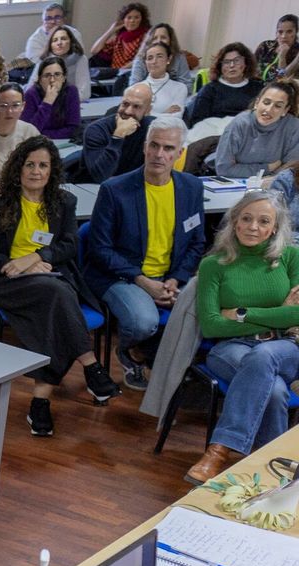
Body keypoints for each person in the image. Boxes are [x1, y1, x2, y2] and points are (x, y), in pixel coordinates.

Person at [0, 137, 119, 436]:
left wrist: (36, 258)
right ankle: (90, 364)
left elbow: (69, 245)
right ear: (18, 169)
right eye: (29, 164)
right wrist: (14, 266)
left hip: (47, 278)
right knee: (57, 295)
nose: (36, 171)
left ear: (52, 170)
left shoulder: (64, 202)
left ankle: (40, 402)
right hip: (6, 283)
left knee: (53, 308)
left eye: (43, 165)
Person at [84, 117, 205, 390]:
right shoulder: (115, 190)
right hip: (120, 276)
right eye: (154, 145)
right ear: (144, 147)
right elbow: (99, 249)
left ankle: (164, 366)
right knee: (143, 321)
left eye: (168, 148)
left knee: (205, 310)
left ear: (180, 153)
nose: (159, 155)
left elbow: (197, 242)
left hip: (169, 277)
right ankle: (130, 351)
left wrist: (176, 279)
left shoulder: (191, 188)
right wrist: (143, 281)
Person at [187, 191, 299, 483]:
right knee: (272, 389)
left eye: (264, 221)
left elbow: (298, 316)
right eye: (246, 218)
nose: (253, 227)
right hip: (231, 348)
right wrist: (278, 312)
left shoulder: (291, 257)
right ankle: (272, 468)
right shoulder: (213, 265)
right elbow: (212, 326)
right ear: (234, 221)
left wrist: (240, 313)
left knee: (264, 355)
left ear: (274, 227)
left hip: (286, 346)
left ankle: (219, 450)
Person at [214, 81, 299, 180]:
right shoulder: (239, 124)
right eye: (266, 102)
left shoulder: (294, 126)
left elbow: (291, 168)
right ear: (257, 103)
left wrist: (270, 180)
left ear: (285, 110)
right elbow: (223, 169)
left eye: (278, 106)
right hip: (235, 183)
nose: (268, 110)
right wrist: (267, 168)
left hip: (275, 184)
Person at [82, 82, 155, 183]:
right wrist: (118, 136)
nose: (128, 111)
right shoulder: (96, 130)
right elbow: (101, 176)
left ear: (147, 110)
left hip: (134, 186)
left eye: (136, 106)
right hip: (95, 189)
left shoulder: (153, 129)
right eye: (125, 104)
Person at [186, 43, 262, 128]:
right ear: (220, 66)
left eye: (237, 60)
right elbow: (197, 122)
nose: (232, 65)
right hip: (213, 135)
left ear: (246, 63)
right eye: (226, 62)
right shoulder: (210, 90)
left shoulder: (258, 88)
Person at [23, 57, 82, 139]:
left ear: (64, 78)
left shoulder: (71, 91)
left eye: (57, 74)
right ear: (40, 79)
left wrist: (43, 134)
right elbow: (28, 132)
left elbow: (73, 129)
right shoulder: (30, 94)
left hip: (65, 142)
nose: (52, 80)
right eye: (47, 75)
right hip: (37, 145)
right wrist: (47, 103)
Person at [128, 24, 196, 88]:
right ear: (150, 41)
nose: (159, 41)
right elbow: (133, 86)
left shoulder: (179, 57)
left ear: (170, 40)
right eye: (155, 38)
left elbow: (187, 86)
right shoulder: (141, 58)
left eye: (163, 37)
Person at [34, 24, 91, 102]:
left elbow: (84, 93)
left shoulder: (80, 59)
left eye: (63, 39)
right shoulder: (44, 60)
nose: (59, 43)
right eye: (55, 40)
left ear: (71, 41)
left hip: (71, 103)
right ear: (50, 45)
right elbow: (31, 89)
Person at [89, 3, 150, 71]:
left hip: (131, 73)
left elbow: (140, 59)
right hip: (114, 75)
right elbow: (94, 51)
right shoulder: (119, 38)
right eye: (129, 17)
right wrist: (111, 30)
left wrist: (119, 71)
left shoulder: (147, 36)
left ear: (142, 19)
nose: (132, 21)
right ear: (123, 20)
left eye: (136, 17)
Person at [138, 41, 189, 116]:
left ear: (168, 59)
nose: (154, 61)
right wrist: (164, 114)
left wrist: (146, 114)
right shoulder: (135, 89)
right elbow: (132, 116)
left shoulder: (180, 88)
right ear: (145, 62)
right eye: (150, 58)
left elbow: (175, 118)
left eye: (159, 56)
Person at [256, 15, 299, 82]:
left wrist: (282, 57)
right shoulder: (265, 45)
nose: (284, 36)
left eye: (289, 32)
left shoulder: (297, 53)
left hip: (278, 90)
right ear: (276, 32)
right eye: (280, 32)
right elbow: (250, 67)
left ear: (296, 32)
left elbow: (281, 79)